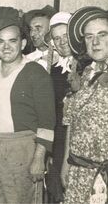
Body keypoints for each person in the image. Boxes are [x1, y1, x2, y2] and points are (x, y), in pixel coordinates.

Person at [0, 6, 55, 203]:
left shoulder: (35, 73)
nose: (6, 47)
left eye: (13, 41)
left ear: (23, 43)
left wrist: (39, 157)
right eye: (1, 41)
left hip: (22, 150)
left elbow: (47, 121)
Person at [61, 6, 108, 204]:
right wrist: (65, 163)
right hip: (78, 172)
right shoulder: (83, 74)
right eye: (89, 37)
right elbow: (71, 121)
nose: (95, 42)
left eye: (102, 34)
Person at [44, 11, 74, 203]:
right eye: (57, 38)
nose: (62, 42)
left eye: (66, 36)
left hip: (77, 142)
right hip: (58, 140)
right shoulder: (54, 71)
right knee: (56, 192)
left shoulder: (89, 67)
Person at [25, 5, 58, 72]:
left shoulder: (62, 60)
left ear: (50, 30)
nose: (32, 34)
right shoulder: (26, 60)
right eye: (31, 29)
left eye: (38, 29)